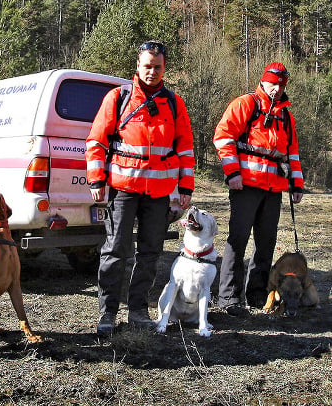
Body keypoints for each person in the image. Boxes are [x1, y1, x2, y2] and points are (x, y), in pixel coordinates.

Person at [85, 41, 195, 336]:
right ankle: (107, 312)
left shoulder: (174, 103)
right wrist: (96, 180)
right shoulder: (118, 98)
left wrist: (185, 187)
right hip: (123, 190)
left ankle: (137, 310)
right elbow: (96, 141)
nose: (152, 71)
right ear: (138, 66)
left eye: (157, 67)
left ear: (164, 68)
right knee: (115, 250)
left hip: (158, 194)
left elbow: (184, 148)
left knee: (150, 253)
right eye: (147, 66)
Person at [213, 62, 304, 315]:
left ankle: (256, 295)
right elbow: (223, 137)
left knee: (266, 244)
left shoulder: (286, 116)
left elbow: (292, 154)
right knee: (237, 241)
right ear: (263, 81)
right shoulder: (245, 104)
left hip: (273, 189)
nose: (277, 89)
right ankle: (229, 297)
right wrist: (232, 173)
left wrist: (296, 184)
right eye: (273, 83)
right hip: (245, 187)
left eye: (282, 85)